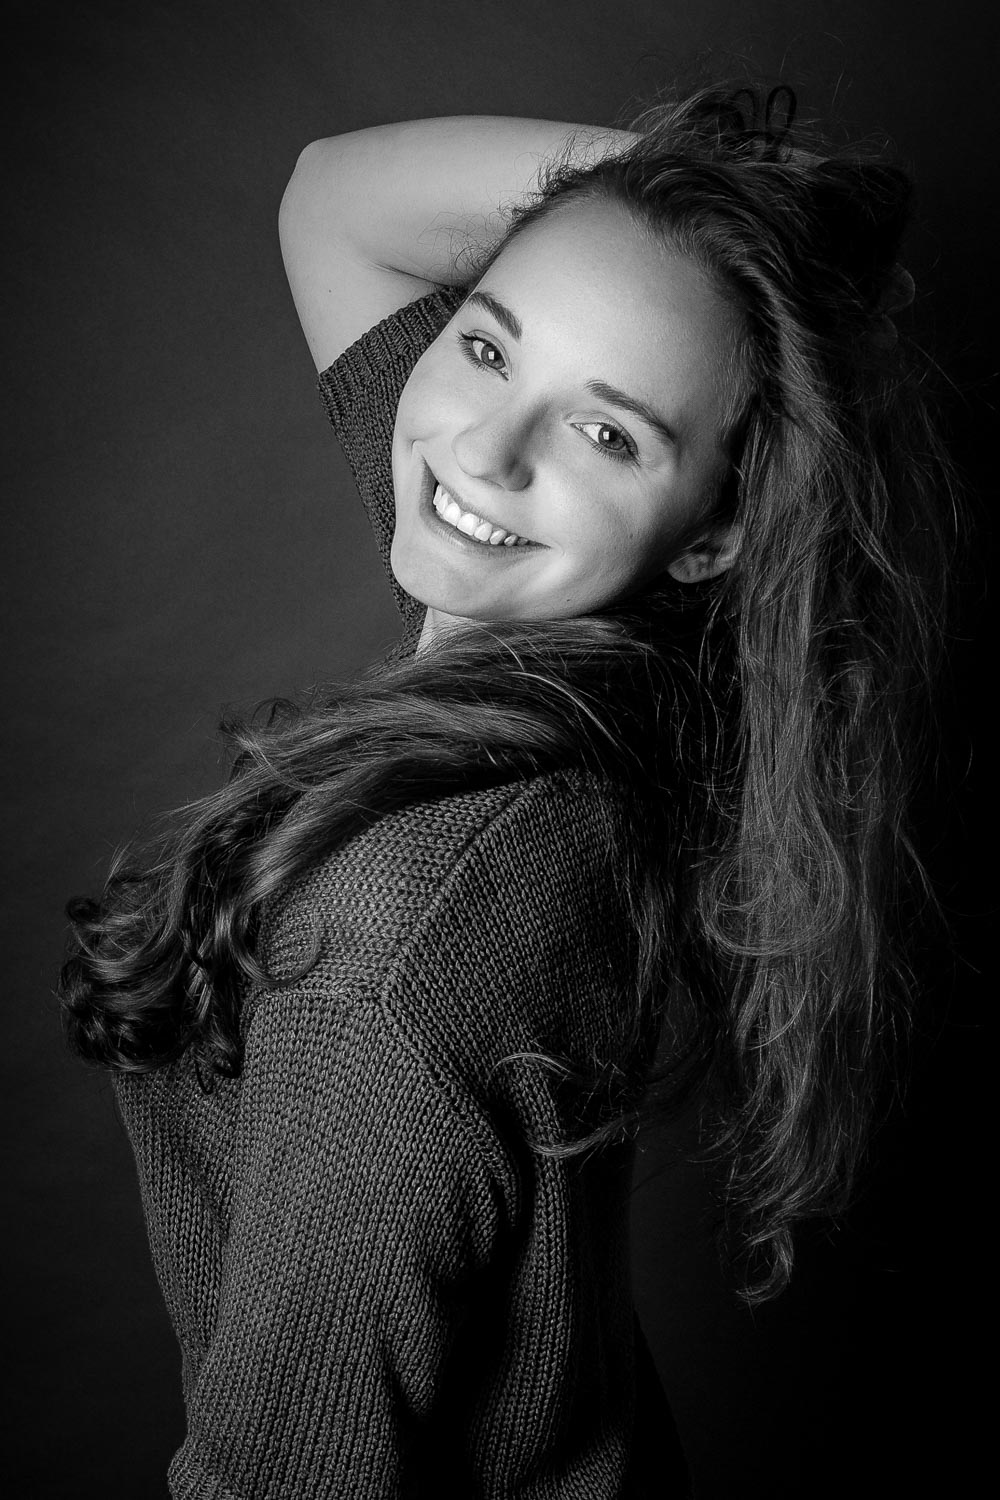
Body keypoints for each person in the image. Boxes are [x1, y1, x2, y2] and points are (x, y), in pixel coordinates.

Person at [59, 84, 956, 1497]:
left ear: (715, 533)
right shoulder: (555, 648)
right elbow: (333, 202)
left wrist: (731, 235)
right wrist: (726, 207)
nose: (485, 450)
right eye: (485, 345)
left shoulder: (393, 931)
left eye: (611, 436)